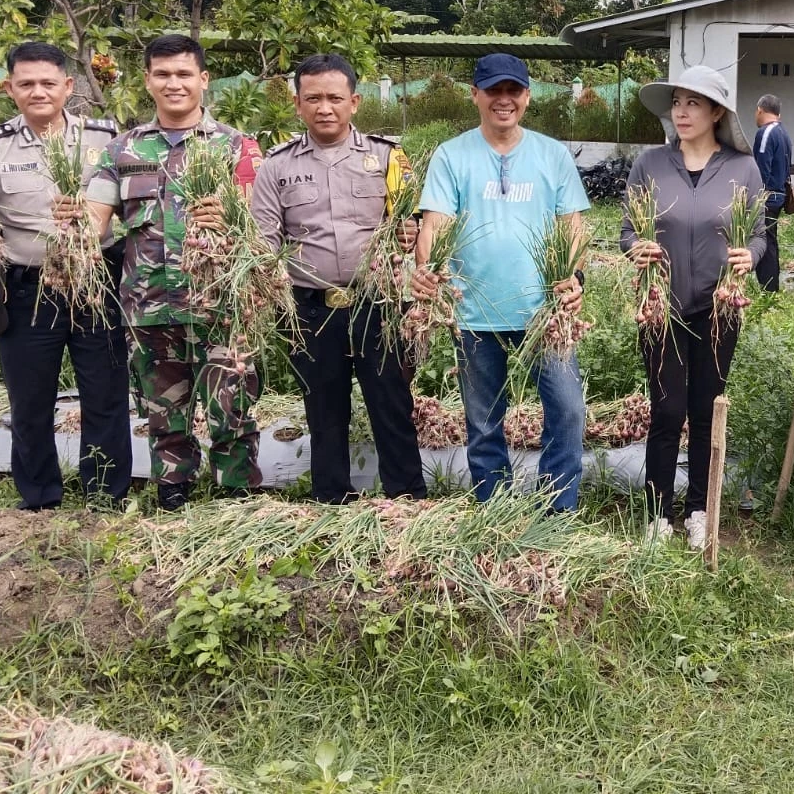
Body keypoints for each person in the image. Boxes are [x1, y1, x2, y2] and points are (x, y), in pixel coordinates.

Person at [0, 42, 132, 510]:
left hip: (95, 281)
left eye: (48, 83)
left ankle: (105, 493)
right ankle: (40, 495)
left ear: (68, 86)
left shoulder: (105, 138)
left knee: (104, 393)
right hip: (26, 288)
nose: (38, 92)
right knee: (30, 397)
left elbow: (136, 200)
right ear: (9, 89)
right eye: (26, 84)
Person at [84, 33, 264, 511]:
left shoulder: (238, 148)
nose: (173, 83)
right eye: (162, 74)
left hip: (221, 306)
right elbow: (94, 218)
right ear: (147, 81)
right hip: (150, 305)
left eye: (184, 73)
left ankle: (238, 495)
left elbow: (263, 223)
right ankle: (173, 489)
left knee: (232, 405)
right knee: (163, 409)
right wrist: (70, 221)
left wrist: (232, 219)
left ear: (204, 80)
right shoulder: (122, 151)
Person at [410, 52, 591, 512]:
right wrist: (429, 273)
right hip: (474, 309)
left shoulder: (552, 155)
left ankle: (557, 507)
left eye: (513, 91)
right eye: (494, 91)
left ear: (527, 97)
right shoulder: (452, 155)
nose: (504, 100)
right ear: (476, 96)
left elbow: (572, 225)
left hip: (544, 312)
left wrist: (572, 276)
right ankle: (494, 507)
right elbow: (434, 223)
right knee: (484, 419)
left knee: (567, 409)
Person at [251, 53, 427, 505]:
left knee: (391, 404)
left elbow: (410, 219)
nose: (323, 108)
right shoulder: (276, 166)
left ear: (355, 101)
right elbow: (265, 237)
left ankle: (406, 498)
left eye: (334, 97)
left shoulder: (387, 156)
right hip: (309, 307)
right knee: (324, 408)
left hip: (377, 303)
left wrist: (408, 230)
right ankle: (331, 498)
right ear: (297, 104)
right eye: (313, 98)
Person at [620, 66, 765, 547]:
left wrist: (753, 254)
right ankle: (658, 513)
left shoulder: (743, 168)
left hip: (718, 305)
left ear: (716, 112)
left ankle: (700, 509)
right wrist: (636, 247)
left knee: (706, 408)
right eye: (677, 102)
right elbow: (627, 232)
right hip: (661, 304)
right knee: (665, 408)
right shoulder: (650, 164)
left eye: (693, 103)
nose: (681, 112)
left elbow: (760, 235)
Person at [752, 94, 792, 292]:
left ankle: (768, 287)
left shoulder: (765, 132)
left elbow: (760, 169)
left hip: (766, 196)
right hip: (779, 196)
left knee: (763, 241)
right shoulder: (783, 133)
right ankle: (772, 286)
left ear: (760, 110)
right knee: (771, 240)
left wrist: (754, 197)